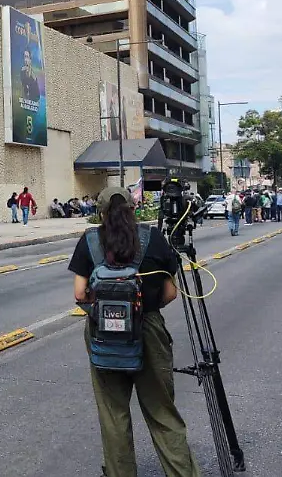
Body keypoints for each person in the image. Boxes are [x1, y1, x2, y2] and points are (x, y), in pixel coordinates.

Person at [68, 187, 201, 477]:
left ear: (101, 213)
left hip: (103, 335)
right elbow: (170, 294)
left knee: (114, 416)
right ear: (134, 209)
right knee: (162, 414)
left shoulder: (90, 240)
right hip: (148, 330)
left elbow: (80, 293)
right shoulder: (152, 238)